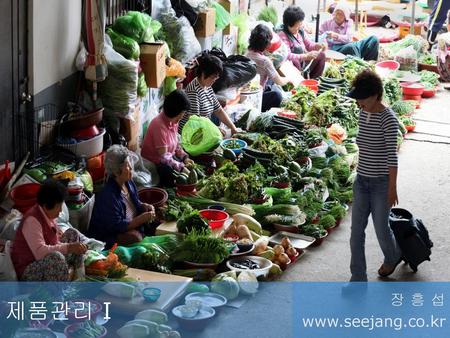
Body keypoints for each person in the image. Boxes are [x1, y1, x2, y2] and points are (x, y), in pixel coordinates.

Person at [347, 70, 402, 282]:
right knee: (356, 233)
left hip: (381, 184)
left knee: (381, 228)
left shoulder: (388, 119)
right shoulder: (363, 112)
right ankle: (358, 277)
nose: (359, 102)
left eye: (362, 98)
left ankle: (393, 255)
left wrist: (392, 188)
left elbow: (392, 157)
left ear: (375, 95)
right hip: (361, 181)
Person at [11, 180, 87, 281]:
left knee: (73, 233)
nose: (60, 211)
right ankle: (59, 294)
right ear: (47, 205)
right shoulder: (32, 220)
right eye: (58, 206)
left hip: (48, 260)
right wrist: (68, 247)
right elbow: (40, 252)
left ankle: (79, 277)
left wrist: (69, 244)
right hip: (30, 269)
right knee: (56, 257)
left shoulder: (47, 215)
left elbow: (54, 240)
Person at [89, 145, 156, 248]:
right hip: (110, 234)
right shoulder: (108, 196)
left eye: (130, 165)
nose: (131, 169)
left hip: (130, 224)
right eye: (127, 167)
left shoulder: (128, 182)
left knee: (158, 219)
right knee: (135, 237)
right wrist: (140, 219)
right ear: (116, 172)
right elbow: (117, 226)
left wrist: (144, 206)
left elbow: (135, 202)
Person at [141, 90, 194, 187]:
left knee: (186, 159)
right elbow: (164, 157)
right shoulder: (158, 125)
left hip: (168, 156)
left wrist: (185, 157)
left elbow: (177, 144)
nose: (182, 116)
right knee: (168, 171)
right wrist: (181, 167)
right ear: (174, 110)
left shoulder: (173, 121)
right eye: (181, 113)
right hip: (156, 162)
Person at [179, 54, 238, 135]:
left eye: (217, 77)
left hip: (204, 129)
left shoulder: (207, 85)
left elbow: (219, 110)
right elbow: (196, 122)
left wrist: (232, 127)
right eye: (213, 77)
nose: (215, 80)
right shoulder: (193, 92)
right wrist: (215, 129)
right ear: (203, 74)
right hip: (192, 134)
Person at [246, 24, 292, 112]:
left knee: (271, 80)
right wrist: (288, 79)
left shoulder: (247, 53)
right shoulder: (265, 61)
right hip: (256, 98)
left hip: (249, 91)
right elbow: (280, 81)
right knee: (277, 96)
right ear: (267, 44)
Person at [278, 5, 326, 79]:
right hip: (291, 67)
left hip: (303, 64)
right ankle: (301, 82)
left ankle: (313, 80)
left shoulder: (300, 31)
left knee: (321, 55)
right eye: (295, 27)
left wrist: (317, 46)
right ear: (288, 24)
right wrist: (305, 56)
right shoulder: (283, 35)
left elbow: (309, 45)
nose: (297, 29)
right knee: (295, 61)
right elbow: (287, 55)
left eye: (299, 25)